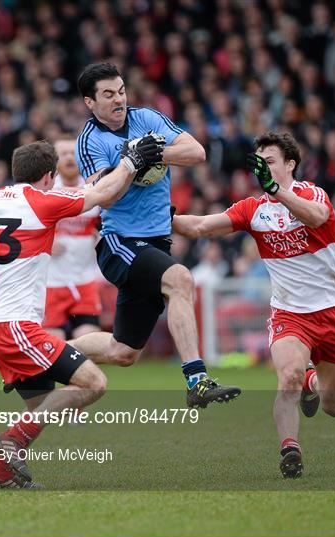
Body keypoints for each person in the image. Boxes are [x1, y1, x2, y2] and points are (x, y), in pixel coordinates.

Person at [0, 136, 164, 489]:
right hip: (15, 325)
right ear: (49, 176)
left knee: (41, 407)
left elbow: (79, 193)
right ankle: (12, 439)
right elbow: (102, 197)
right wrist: (130, 161)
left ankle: (0, 473)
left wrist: (91, 183)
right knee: (94, 383)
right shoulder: (44, 202)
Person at [172, 131, 335, 478]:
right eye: (260, 164)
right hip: (290, 313)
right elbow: (198, 226)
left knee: (333, 406)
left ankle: (312, 382)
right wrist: (157, 217)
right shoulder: (253, 209)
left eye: (270, 162)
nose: (264, 170)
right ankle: (290, 449)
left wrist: (276, 190)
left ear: (290, 164)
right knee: (288, 376)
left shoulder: (311, 194)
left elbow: (317, 217)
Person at [74, 62, 240, 408]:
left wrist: (154, 152)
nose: (118, 99)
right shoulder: (89, 140)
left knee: (123, 351)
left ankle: (45, 355)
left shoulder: (147, 118)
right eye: (108, 94)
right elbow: (104, 195)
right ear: (90, 102)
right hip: (119, 243)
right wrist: (132, 162)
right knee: (180, 279)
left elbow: (197, 152)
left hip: (156, 243)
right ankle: (197, 379)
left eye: (120, 91)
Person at [44, 138, 102, 340]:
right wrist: (45, 242)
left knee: (89, 344)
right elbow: (27, 227)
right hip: (51, 282)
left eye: (73, 153)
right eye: (63, 154)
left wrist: (103, 236)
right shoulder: (46, 191)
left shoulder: (95, 190)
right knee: (53, 347)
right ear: (54, 160)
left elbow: (106, 223)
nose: (69, 158)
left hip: (84, 279)